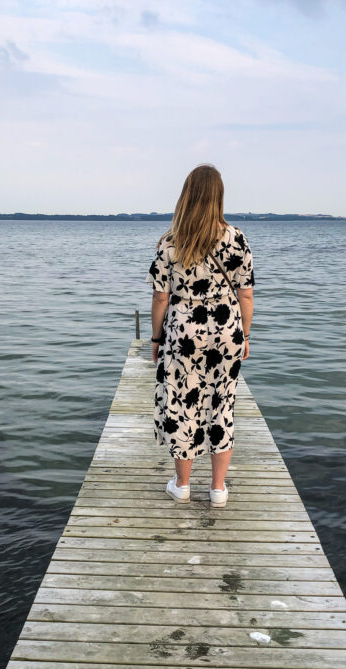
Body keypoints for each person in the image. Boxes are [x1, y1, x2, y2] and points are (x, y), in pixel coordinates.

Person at [144, 164, 255, 508]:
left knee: (183, 405)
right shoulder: (236, 238)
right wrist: (245, 336)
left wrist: (155, 339)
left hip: (182, 332)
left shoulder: (170, 242)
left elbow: (160, 297)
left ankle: (183, 485)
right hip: (226, 332)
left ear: (187, 196)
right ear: (218, 196)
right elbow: (246, 295)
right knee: (222, 405)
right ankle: (218, 489)